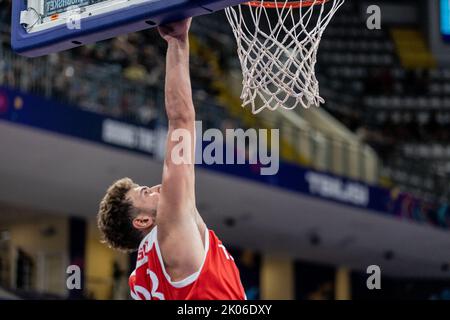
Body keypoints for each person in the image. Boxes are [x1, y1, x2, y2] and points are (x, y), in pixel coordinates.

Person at [97, 18, 246, 300]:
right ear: (141, 221)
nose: (154, 188)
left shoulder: (138, 279)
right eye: (145, 193)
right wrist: (178, 41)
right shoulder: (172, 218)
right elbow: (180, 121)